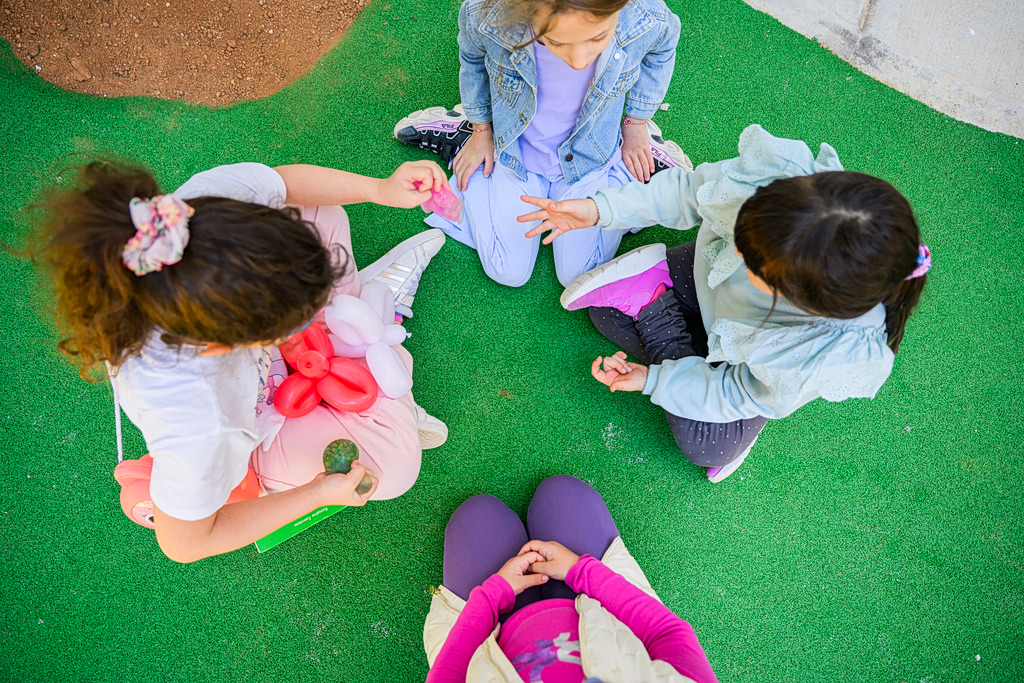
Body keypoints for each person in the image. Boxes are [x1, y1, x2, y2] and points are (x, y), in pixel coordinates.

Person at [31, 157, 451, 562]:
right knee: (396, 468)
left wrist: (379, 189)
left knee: (318, 212)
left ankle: (364, 327)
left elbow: (284, 184)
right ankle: (374, 323)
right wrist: (316, 495)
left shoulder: (194, 215)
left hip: (246, 360)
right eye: (290, 324)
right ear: (225, 345)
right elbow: (185, 544)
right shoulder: (201, 423)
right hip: (257, 417)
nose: (301, 323)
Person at [518, 124, 930, 482]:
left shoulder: (819, 350)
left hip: (735, 337)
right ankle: (657, 306)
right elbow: (688, 194)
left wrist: (651, 380)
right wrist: (598, 210)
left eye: (756, 265)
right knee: (612, 324)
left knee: (706, 446)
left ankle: (650, 297)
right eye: (747, 235)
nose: (738, 255)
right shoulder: (783, 185)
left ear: (813, 302)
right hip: (701, 281)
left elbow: (738, 391)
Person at [393, 0, 691, 288]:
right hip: (515, 154)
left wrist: (636, 123)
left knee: (580, 276)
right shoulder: (488, 12)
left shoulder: (643, 14)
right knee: (507, 272)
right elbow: (472, 60)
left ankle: (645, 150)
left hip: (589, 155)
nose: (579, 61)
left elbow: (662, 49)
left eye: (598, 37)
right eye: (556, 42)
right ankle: (465, 133)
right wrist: (481, 128)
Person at [424, 475, 718, 682]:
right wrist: (581, 570)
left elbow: (448, 673)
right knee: (562, 494)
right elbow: (667, 633)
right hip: (599, 609)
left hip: (491, 636)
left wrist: (489, 598)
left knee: (477, 516)